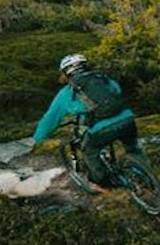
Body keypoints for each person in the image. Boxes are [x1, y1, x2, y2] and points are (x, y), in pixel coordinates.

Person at [32, 53, 140, 189]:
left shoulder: (67, 92)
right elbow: (116, 92)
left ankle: (104, 184)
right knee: (133, 147)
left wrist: (38, 139)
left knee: (89, 150)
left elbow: (50, 119)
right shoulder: (104, 79)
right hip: (127, 118)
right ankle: (142, 174)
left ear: (66, 73)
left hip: (102, 127)